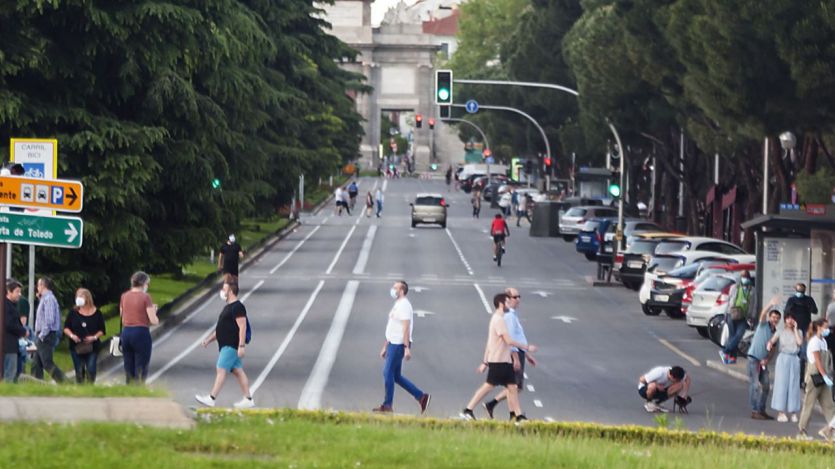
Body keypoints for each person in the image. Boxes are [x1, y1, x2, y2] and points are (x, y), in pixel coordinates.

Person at [461, 293, 537, 422]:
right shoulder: (499, 319)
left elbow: (493, 342)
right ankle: (468, 410)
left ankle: (518, 416)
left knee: (512, 387)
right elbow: (508, 340)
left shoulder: (499, 318)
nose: (509, 305)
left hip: (504, 360)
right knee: (489, 386)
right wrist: (527, 347)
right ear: (501, 304)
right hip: (498, 360)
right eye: (507, 303)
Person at [372, 281, 430, 414]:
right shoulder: (398, 304)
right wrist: (385, 345)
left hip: (399, 344)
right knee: (396, 376)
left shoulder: (404, 305)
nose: (392, 290)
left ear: (402, 290)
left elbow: (405, 327)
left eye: (395, 288)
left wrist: (406, 347)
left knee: (387, 373)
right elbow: (393, 326)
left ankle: (387, 405)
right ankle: (421, 397)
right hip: (393, 343)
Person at [196, 279, 254, 409]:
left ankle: (211, 398)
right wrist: (208, 340)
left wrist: (241, 346)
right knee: (238, 371)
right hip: (225, 345)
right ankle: (248, 399)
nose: (222, 291)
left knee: (221, 369)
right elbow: (221, 328)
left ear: (231, 291)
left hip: (231, 345)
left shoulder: (238, 307)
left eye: (224, 289)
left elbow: (242, 326)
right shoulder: (228, 307)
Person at [482, 287, 537, 419]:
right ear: (506, 300)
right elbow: (510, 340)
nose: (518, 300)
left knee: (513, 386)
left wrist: (528, 355)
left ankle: (511, 413)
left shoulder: (512, 315)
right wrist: (516, 358)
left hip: (519, 352)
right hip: (514, 354)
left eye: (519, 297)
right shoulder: (509, 317)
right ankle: (502, 409)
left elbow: (517, 337)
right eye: (514, 297)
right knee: (514, 387)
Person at [797, 318, 835, 440]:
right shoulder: (814, 342)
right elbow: (818, 361)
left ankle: (830, 431)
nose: (827, 330)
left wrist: (826, 376)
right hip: (814, 376)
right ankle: (802, 431)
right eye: (825, 327)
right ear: (818, 327)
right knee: (809, 403)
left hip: (823, 376)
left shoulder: (823, 341)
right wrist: (824, 375)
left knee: (829, 405)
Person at [120, 271, 159, 384]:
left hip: (126, 332)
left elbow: (122, 317)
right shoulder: (145, 297)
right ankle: (139, 390)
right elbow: (153, 320)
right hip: (141, 333)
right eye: (148, 284)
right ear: (144, 283)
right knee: (141, 366)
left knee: (128, 365)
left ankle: (129, 388)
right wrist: (154, 312)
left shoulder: (124, 296)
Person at [748, 295, 782, 420]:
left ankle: (761, 409)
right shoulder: (763, 325)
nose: (775, 320)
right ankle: (754, 410)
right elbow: (762, 314)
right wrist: (770, 304)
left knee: (766, 385)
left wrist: (767, 359)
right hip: (754, 358)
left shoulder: (775, 332)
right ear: (770, 317)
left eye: (777, 318)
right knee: (755, 385)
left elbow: (773, 349)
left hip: (763, 361)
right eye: (773, 317)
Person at [63, 288, 105, 383]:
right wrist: (72, 336)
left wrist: (94, 337)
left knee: (91, 369)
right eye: (77, 296)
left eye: (81, 296)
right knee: (79, 370)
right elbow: (66, 328)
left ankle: (90, 387)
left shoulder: (97, 313)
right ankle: (81, 389)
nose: (79, 298)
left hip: (92, 346)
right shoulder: (73, 313)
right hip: (76, 346)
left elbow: (102, 330)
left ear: (87, 298)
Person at [768, 311, 803, 422]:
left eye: (792, 318)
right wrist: (769, 345)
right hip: (783, 358)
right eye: (787, 318)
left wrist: (796, 329)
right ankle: (781, 412)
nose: (789, 320)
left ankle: (793, 412)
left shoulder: (799, 332)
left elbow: (799, 343)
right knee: (781, 384)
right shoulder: (780, 331)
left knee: (793, 386)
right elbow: (772, 341)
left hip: (794, 358)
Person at [32, 277, 66, 383]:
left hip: (46, 335)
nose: (37, 288)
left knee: (47, 363)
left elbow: (49, 320)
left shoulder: (49, 299)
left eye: (38, 285)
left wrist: (42, 335)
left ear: (43, 286)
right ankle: (37, 383)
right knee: (36, 363)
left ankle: (64, 382)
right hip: (42, 334)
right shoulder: (44, 299)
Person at [720, 271, 755, 364]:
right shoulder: (734, 287)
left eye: (746, 277)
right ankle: (732, 357)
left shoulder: (752, 290)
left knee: (739, 335)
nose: (745, 279)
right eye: (743, 277)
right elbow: (729, 301)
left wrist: (752, 316)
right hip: (732, 313)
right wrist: (725, 314)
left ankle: (725, 351)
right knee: (732, 336)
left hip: (743, 316)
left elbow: (753, 304)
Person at [3, 278, 27, 382]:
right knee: (10, 373)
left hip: (11, 344)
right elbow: (8, 324)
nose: (19, 294)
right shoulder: (6, 306)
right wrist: (23, 331)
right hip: (8, 345)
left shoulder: (11, 305)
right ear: (9, 292)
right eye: (17, 291)